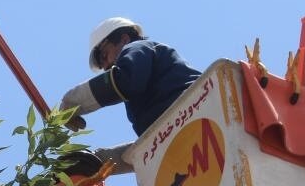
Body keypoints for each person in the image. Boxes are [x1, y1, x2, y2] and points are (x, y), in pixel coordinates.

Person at [57, 17, 202, 173]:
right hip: (196, 136)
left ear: (124, 39)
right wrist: (98, 161)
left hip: (199, 106)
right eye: (102, 65)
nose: (106, 67)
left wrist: (73, 101)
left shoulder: (139, 47)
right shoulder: (148, 104)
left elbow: (125, 80)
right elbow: (152, 147)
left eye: (104, 55)